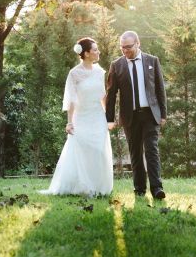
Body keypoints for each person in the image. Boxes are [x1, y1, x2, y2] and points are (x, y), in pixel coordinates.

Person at [40, 37, 114, 196]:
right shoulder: (74, 73)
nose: (98, 52)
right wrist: (69, 122)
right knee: (80, 151)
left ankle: (99, 187)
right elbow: (72, 100)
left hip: (98, 117)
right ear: (86, 53)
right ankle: (82, 187)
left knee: (99, 151)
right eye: (95, 49)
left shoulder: (100, 71)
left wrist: (109, 117)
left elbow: (103, 96)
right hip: (81, 118)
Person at [105, 31, 167, 200]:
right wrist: (109, 119)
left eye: (128, 47)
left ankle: (157, 188)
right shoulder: (116, 65)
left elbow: (160, 89)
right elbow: (111, 94)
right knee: (135, 153)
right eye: (122, 47)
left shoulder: (152, 61)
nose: (125, 51)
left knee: (152, 150)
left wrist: (163, 114)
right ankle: (139, 188)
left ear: (138, 43)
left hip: (150, 114)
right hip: (129, 116)